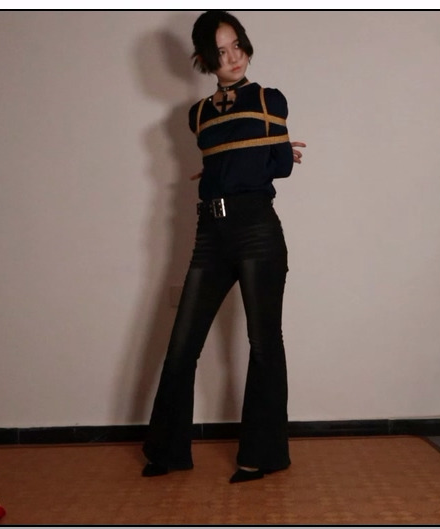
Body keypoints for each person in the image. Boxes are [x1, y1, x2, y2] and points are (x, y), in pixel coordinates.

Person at [142, 10, 306, 484]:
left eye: (237, 45)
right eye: (220, 51)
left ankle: (261, 455)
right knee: (181, 347)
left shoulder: (269, 99)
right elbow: (223, 166)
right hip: (210, 233)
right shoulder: (197, 115)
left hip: (257, 229)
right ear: (204, 59)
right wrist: (234, 165)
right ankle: (167, 451)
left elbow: (281, 165)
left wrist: (239, 166)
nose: (232, 57)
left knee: (263, 343)